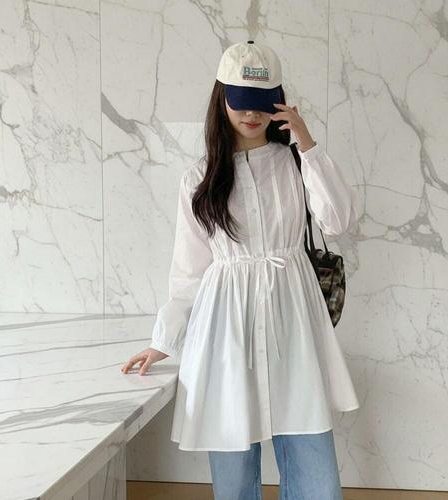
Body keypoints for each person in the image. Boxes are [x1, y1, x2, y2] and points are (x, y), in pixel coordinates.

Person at [121, 40, 360, 499]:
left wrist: (307, 143)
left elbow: (339, 218)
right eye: (241, 102)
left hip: (293, 318)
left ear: (279, 103)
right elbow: (189, 270)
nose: (251, 114)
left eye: (262, 103)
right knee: (232, 460)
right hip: (225, 325)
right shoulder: (200, 177)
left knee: (312, 454)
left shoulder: (295, 163)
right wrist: (162, 341)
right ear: (222, 99)